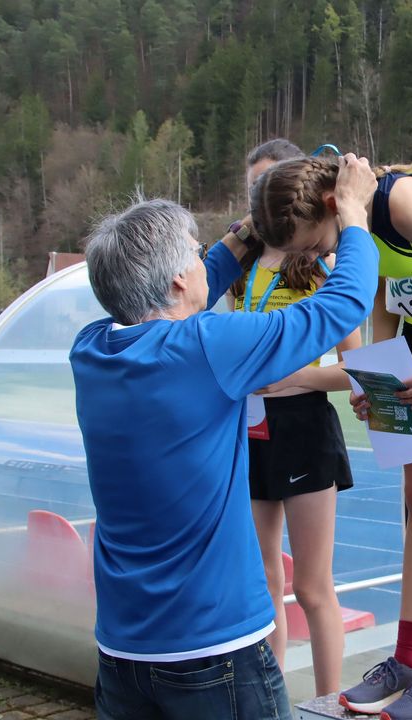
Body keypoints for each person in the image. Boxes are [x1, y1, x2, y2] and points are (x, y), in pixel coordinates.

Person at [70, 153, 378, 720]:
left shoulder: (90, 349)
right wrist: (353, 213)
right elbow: (341, 307)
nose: (204, 259)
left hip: (123, 649)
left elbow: (188, 286)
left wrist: (250, 230)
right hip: (215, 651)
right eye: (195, 252)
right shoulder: (207, 345)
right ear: (176, 279)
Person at [248, 156, 412, 720]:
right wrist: (378, 375)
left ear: (330, 206)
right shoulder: (353, 221)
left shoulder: (402, 204)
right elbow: (380, 291)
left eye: (311, 245)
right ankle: (407, 660)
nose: (313, 258)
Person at [234, 138, 361, 696]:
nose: (261, 201)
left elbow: (361, 370)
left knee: (311, 586)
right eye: (253, 189)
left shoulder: (318, 263)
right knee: (264, 579)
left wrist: (298, 378)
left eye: (270, 184)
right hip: (249, 430)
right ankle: (272, 696)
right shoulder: (238, 267)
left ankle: (330, 701)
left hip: (304, 429)